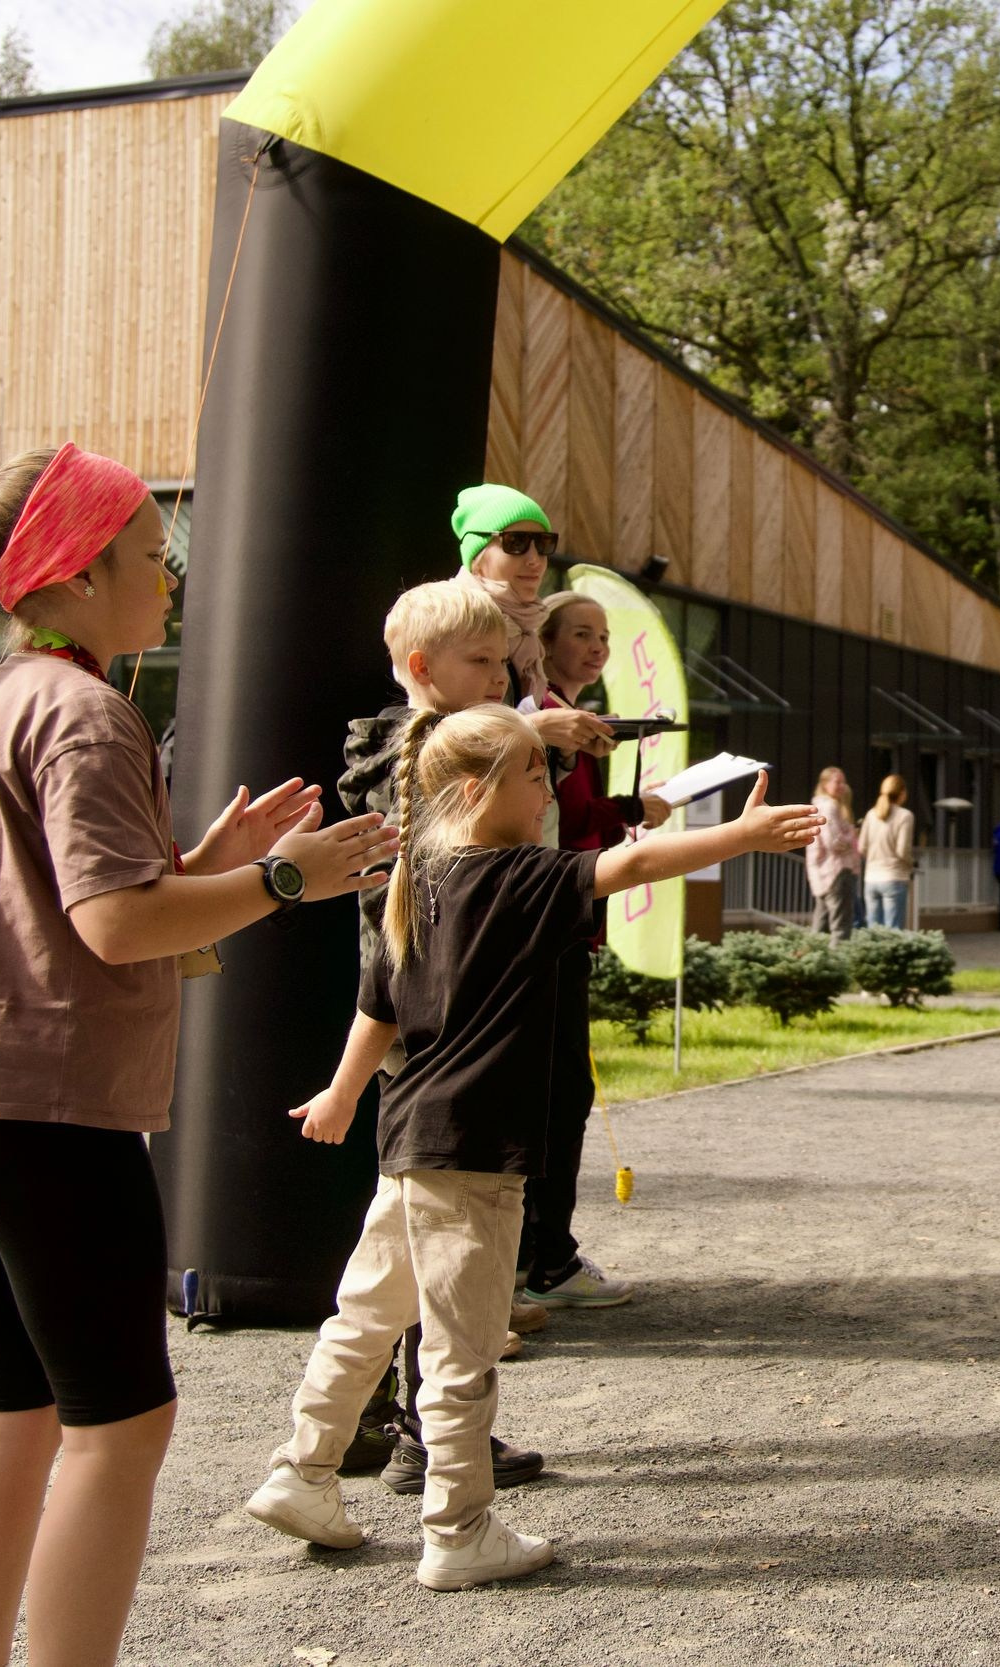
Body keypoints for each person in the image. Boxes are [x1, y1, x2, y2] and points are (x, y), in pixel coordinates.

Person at [0, 446, 399, 1667]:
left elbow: (79, 901)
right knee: (122, 1423)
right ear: (78, 570)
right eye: (154, 558)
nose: (172, 580)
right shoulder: (85, 710)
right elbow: (113, 925)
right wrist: (278, 879)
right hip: (44, 1110)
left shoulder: (10, 694)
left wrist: (207, 861)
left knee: (12, 1418)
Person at [243, 709, 820, 1591]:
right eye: (533, 774)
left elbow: (379, 1008)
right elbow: (627, 863)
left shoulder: (417, 878)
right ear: (477, 791)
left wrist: (342, 1091)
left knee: (364, 1319)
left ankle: (302, 1472)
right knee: (461, 1349)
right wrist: (737, 834)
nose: (550, 789)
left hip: (409, 1143)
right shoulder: (517, 877)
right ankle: (457, 1528)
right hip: (474, 1154)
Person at [338, 577, 590, 1493]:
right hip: (426, 1022)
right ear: (422, 668)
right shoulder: (406, 755)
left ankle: (387, 1426)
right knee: (424, 1247)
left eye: (504, 660)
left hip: (436, 1014)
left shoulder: (450, 747)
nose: (500, 676)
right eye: (483, 663)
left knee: (409, 1248)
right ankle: (425, 1437)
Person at [520, 592, 667, 1311]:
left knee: (561, 1094)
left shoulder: (580, 724)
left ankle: (540, 1254)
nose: (597, 646)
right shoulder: (544, 722)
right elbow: (570, 821)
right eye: (580, 633)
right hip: (546, 923)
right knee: (555, 1096)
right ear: (544, 643)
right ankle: (542, 1257)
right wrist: (636, 812)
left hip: (569, 923)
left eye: (604, 635)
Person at [453, 483, 558, 706]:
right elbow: (452, 725)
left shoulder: (527, 632)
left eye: (543, 543)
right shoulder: (449, 618)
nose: (534, 559)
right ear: (477, 557)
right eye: (516, 542)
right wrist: (534, 728)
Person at [805, 766, 860, 946]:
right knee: (841, 927)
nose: (842, 786)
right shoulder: (829, 806)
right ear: (825, 784)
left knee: (820, 925)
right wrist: (852, 834)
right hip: (837, 870)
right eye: (838, 781)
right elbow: (834, 842)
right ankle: (838, 967)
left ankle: (811, 964)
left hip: (821, 872)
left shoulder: (817, 806)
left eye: (844, 782)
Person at [860, 773, 916, 929]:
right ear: (903, 793)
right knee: (893, 931)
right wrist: (912, 863)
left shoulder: (871, 814)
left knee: (873, 932)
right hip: (894, 876)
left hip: (871, 879)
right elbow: (902, 850)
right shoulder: (905, 815)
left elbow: (861, 847)